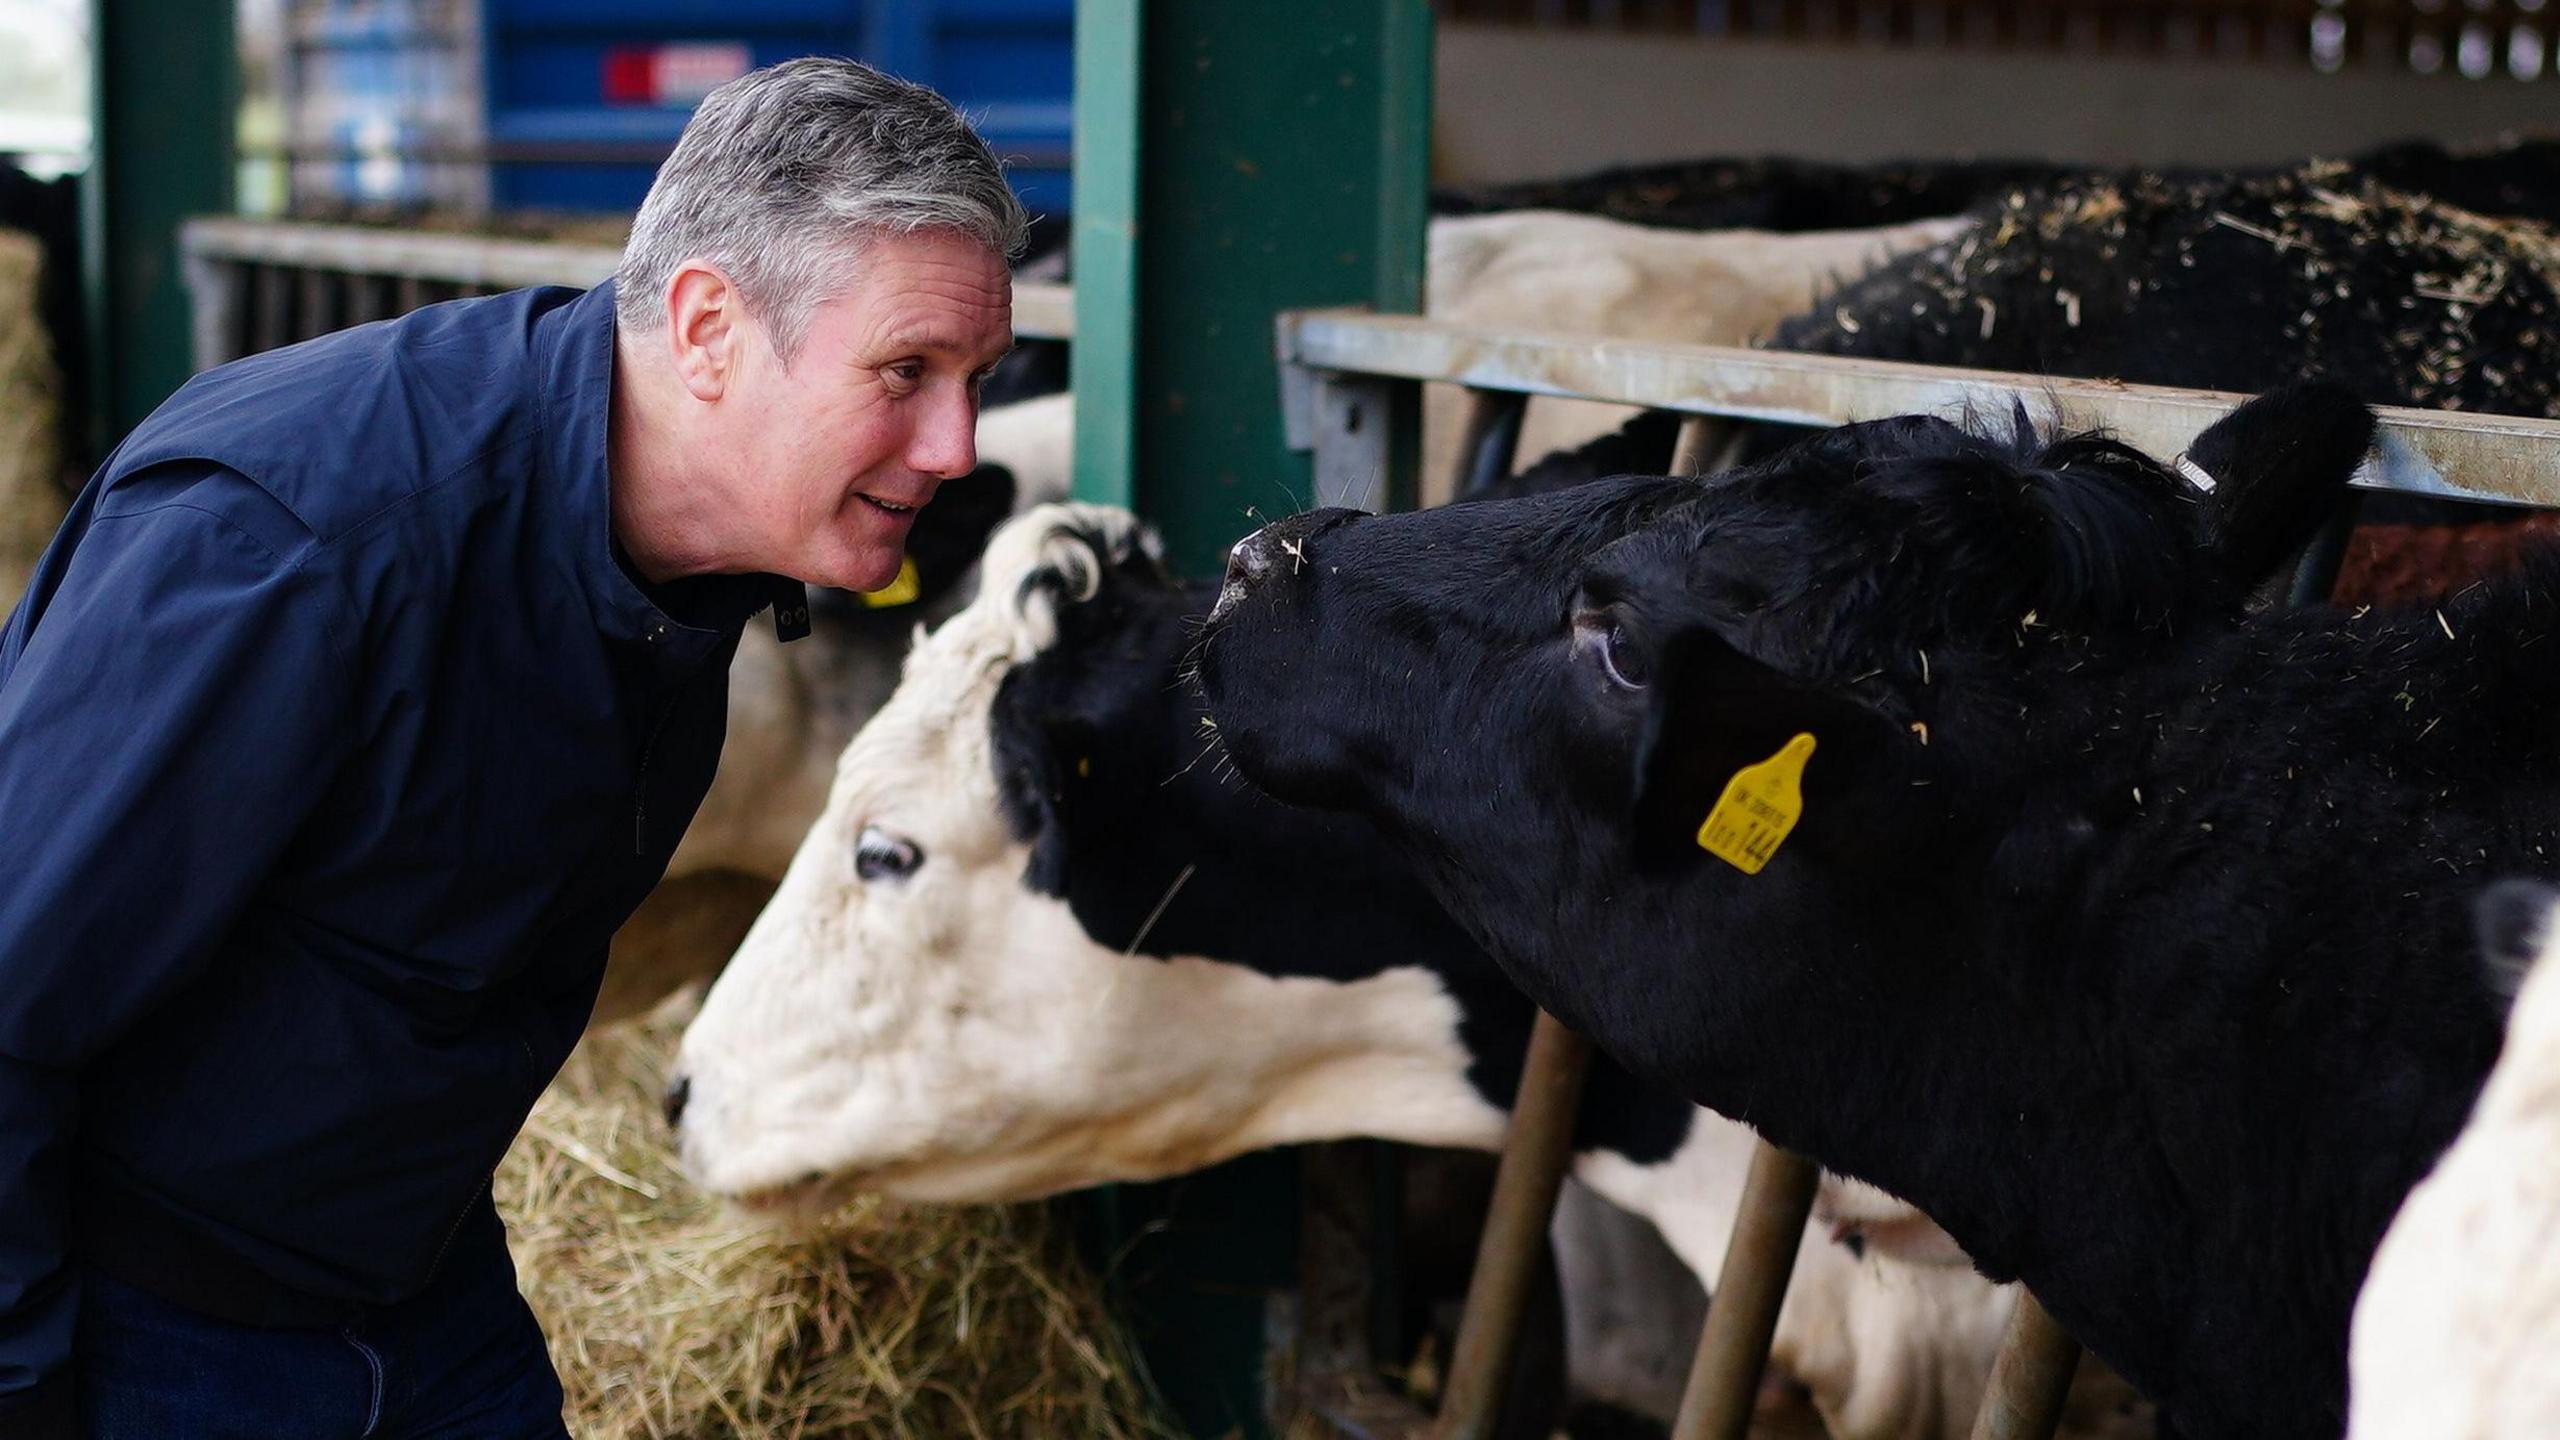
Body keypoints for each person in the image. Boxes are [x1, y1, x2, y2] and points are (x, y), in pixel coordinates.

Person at [0, 56, 1022, 1438]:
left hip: (421, 1286)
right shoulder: (294, 545)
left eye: (977, 379)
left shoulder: (689, 562)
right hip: (159, 1330)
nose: (957, 444)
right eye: (907, 371)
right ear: (709, 327)